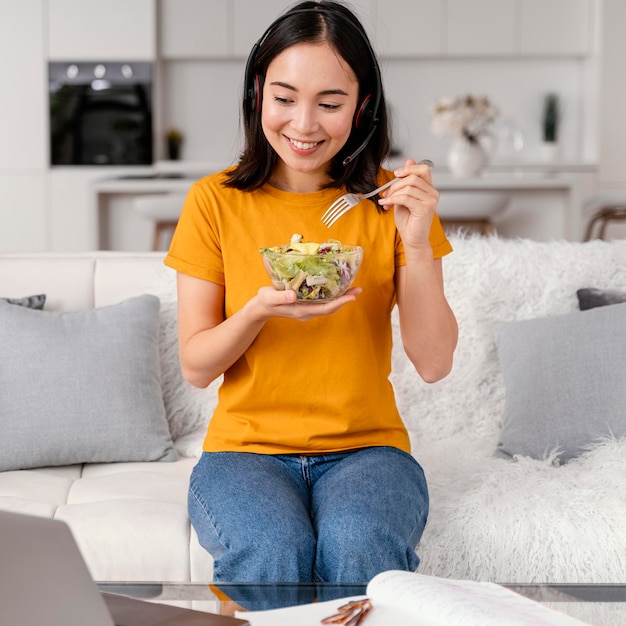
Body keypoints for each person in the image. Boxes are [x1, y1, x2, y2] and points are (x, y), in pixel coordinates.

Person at [164, 0, 458, 584]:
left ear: (362, 105)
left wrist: (417, 245)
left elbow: (434, 363)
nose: (303, 124)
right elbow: (196, 367)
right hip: (244, 454)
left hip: (369, 452)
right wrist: (256, 312)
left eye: (329, 104)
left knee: (359, 545)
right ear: (257, 92)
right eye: (284, 97)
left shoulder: (391, 203)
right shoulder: (213, 201)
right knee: (273, 552)